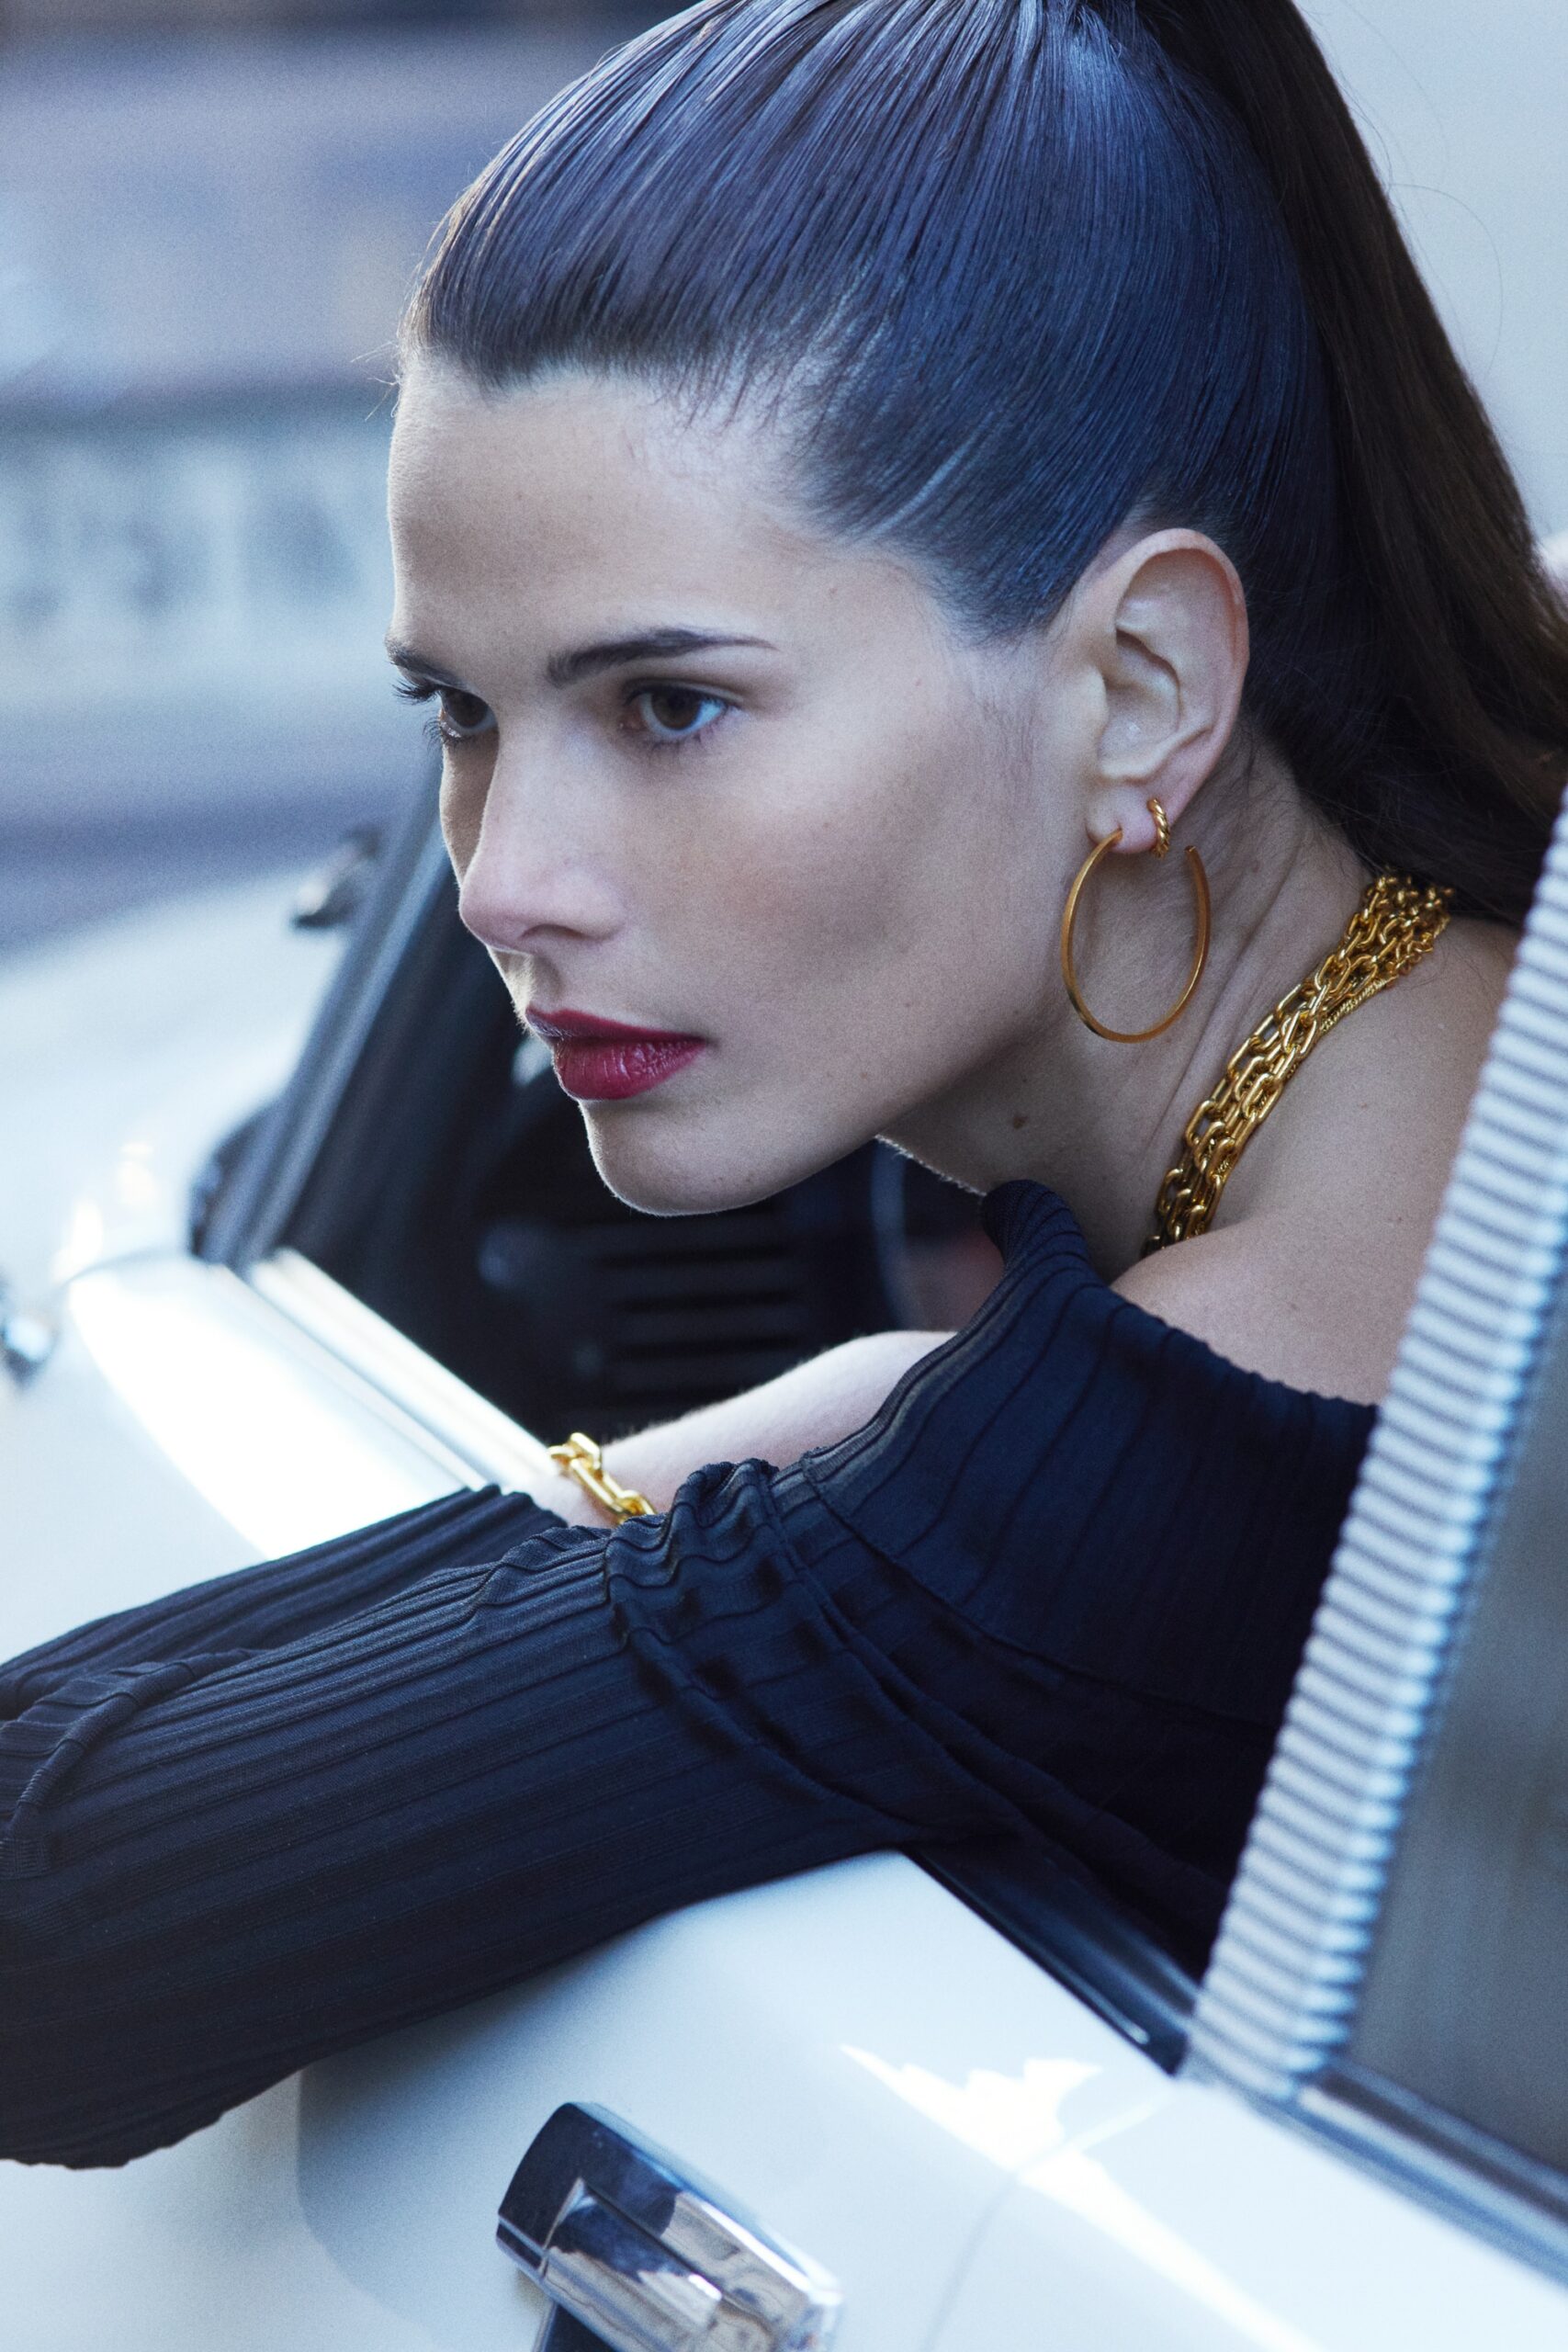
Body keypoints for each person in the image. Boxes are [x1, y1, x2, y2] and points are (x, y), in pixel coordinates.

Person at [5, 0, 1568, 2171]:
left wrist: (848, 1441)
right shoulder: (1475, 1044)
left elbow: (55, 1926)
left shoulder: (1182, 1451)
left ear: (1140, 691)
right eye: (459, 715)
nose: (502, 884)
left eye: (667, 707)